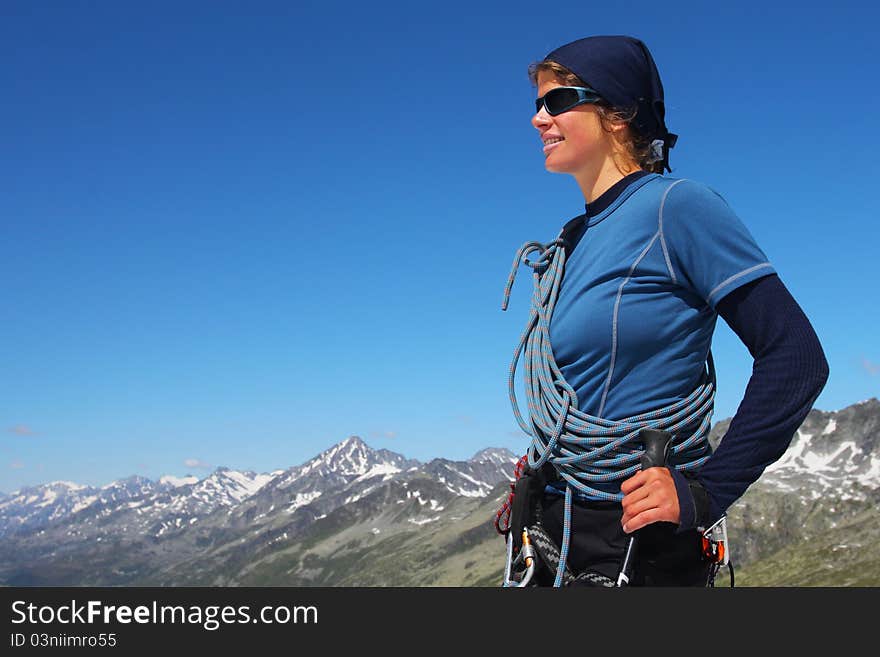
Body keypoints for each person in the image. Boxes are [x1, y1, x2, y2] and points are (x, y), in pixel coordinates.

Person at [498, 35, 829, 586]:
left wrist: (706, 492)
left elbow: (795, 357)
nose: (537, 119)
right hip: (552, 524)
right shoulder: (572, 237)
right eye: (537, 104)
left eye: (556, 102)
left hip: (631, 539)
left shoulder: (677, 208)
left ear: (618, 114)